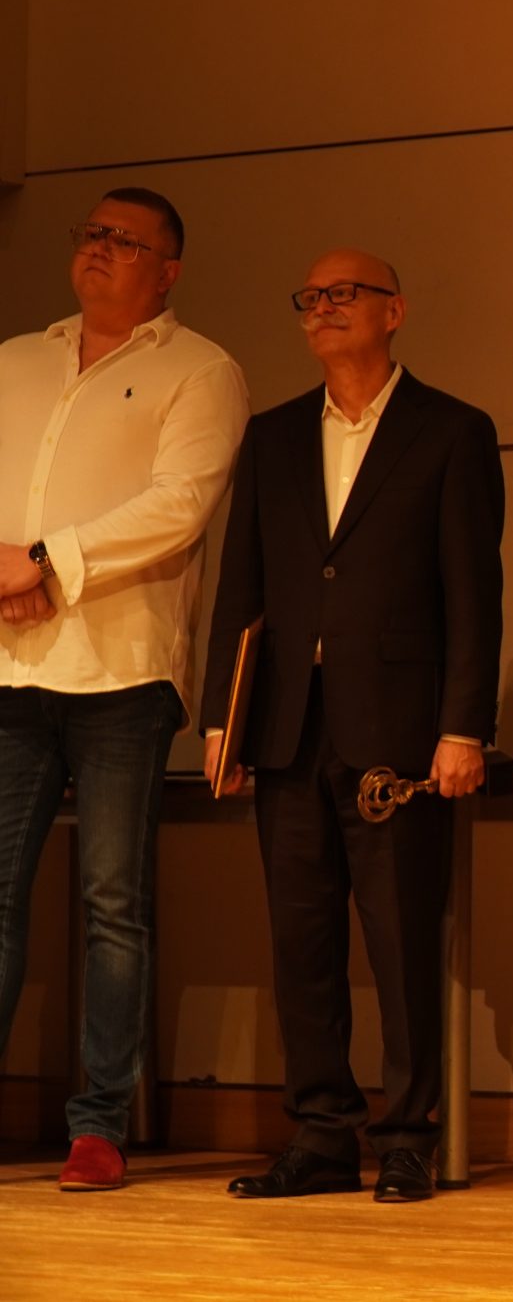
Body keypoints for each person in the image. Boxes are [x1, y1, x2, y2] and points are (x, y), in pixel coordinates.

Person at [203, 250, 503, 1206]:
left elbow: (474, 595)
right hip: (287, 723)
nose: (324, 308)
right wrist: (223, 718)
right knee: (301, 940)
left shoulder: (452, 430)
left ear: (394, 310)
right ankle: (322, 1133)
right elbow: (240, 587)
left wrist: (464, 727)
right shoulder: (273, 435)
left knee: (402, 937)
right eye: (312, 297)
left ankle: (408, 1135)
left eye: (345, 294)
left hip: (401, 732)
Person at [0, 189, 248, 1192]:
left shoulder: (202, 370)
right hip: (9, 665)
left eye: (125, 240)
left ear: (168, 270)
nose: (99, 249)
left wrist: (45, 562)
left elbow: (178, 507)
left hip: (122, 670)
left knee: (113, 902)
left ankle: (99, 1122)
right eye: (92, 234)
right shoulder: (16, 360)